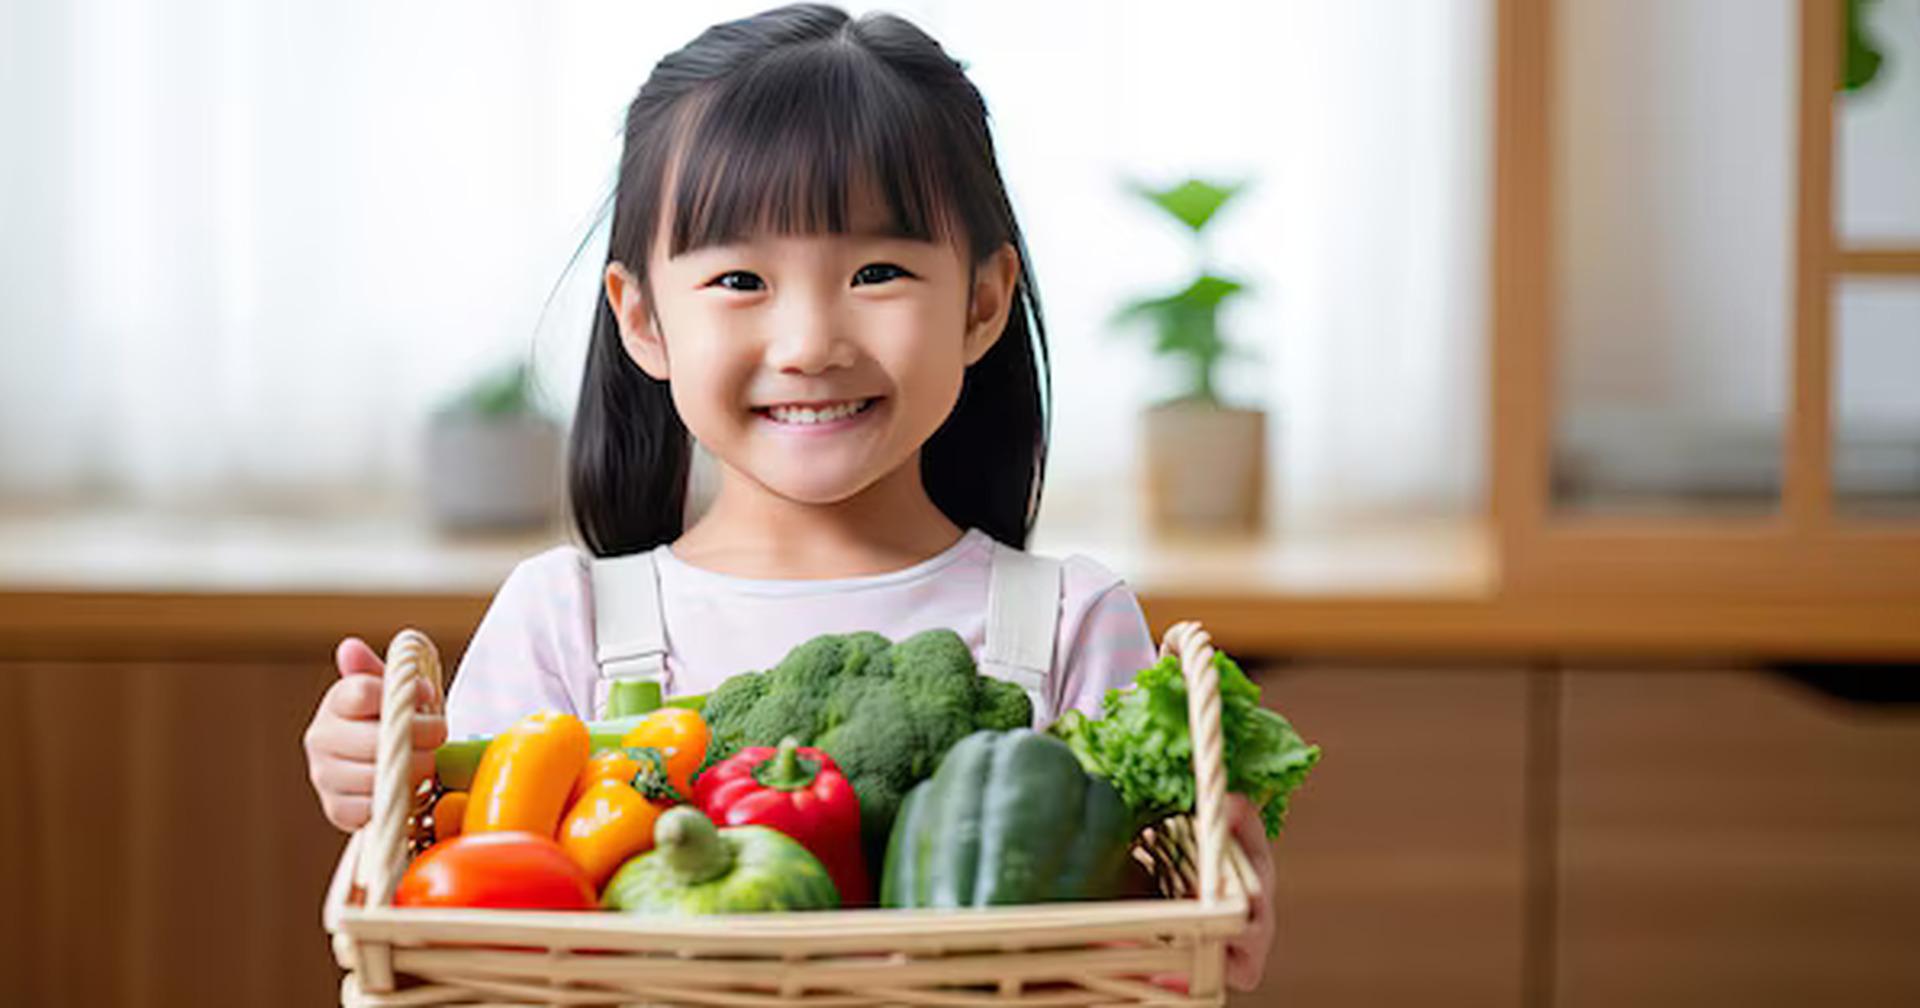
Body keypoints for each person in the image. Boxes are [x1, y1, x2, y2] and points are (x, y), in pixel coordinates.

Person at [302, 3, 1274, 990]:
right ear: (643, 321)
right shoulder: (565, 620)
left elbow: (1135, 958)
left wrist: (1214, 932)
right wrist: (392, 773)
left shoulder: (1069, 622)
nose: (810, 342)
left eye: (878, 271)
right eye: (738, 279)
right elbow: (459, 921)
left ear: (982, 303)